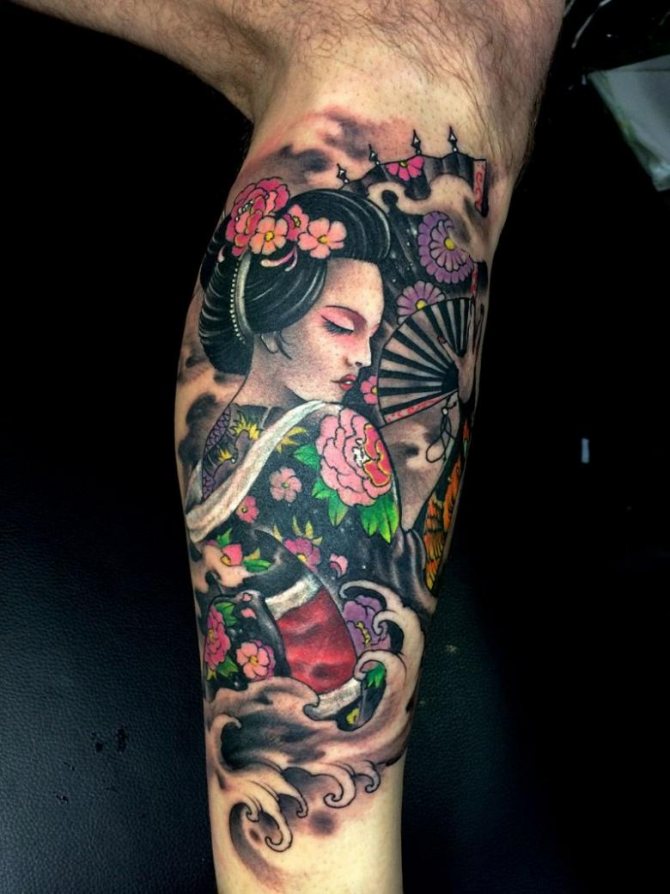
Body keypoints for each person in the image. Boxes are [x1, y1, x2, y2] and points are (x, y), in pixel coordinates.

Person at [9, 1, 565, 891]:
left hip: (326, 677)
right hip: (298, 721)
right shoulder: (294, 446)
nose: (364, 360)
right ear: (271, 313)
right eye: (342, 325)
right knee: (425, 55)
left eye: (373, 335)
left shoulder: (315, 438)